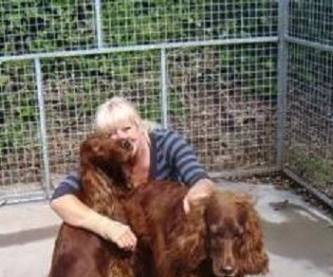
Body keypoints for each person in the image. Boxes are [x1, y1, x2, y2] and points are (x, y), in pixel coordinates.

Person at [50, 96, 215, 251]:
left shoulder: (167, 143)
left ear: (139, 126)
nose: (121, 137)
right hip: (129, 236)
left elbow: (201, 179)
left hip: (170, 230)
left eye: (126, 129)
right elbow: (59, 200)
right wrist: (106, 227)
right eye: (110, 134)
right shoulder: (103, 158)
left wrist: (197, 194)